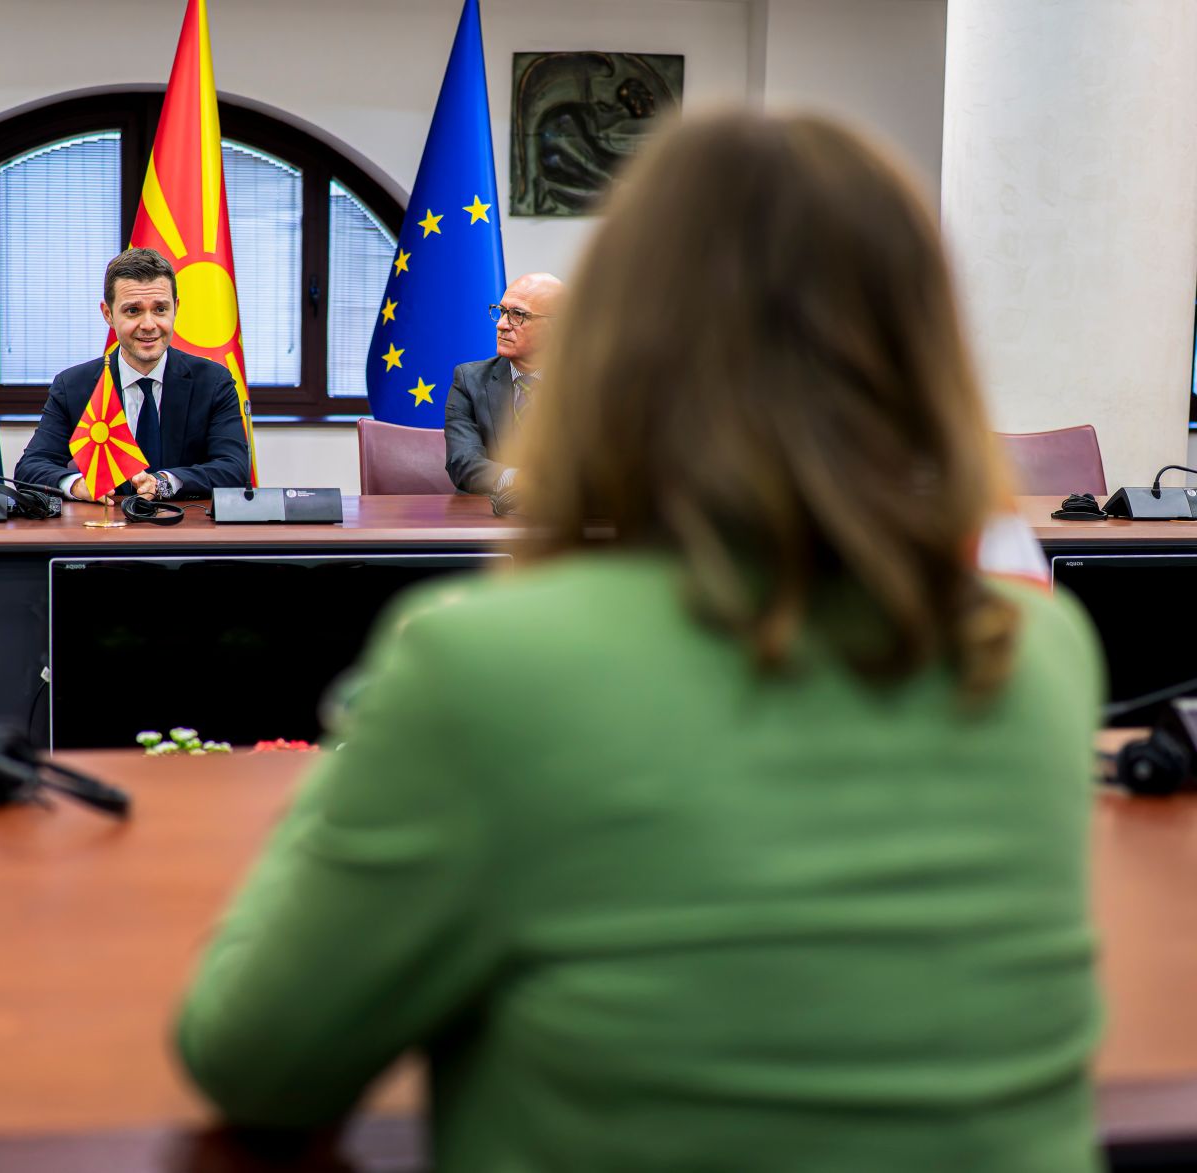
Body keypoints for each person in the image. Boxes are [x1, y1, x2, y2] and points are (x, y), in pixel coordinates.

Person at [175, 111, 1102, 1172]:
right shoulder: (1038, 647)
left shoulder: (481, 666)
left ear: (612, 346)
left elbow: (255, 1060)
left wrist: (354, 780)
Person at [14, 248, 249, 501]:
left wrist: (164, 482)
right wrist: (78, 485)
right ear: (108, 314)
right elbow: (31, 467)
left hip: (184, 523)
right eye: (133, 311)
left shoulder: (213, 382)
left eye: (160, 309)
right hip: (103, 523)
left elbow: (233, 469)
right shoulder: (73, 386)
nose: (148, 325)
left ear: (176, 308)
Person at [445, 271, 562, 495]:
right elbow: (463, 461)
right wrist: (523, 483)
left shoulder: (587, 386)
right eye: (501, 312)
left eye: (518, 315)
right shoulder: (469, 381)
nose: (501, 324)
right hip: (488, 510)